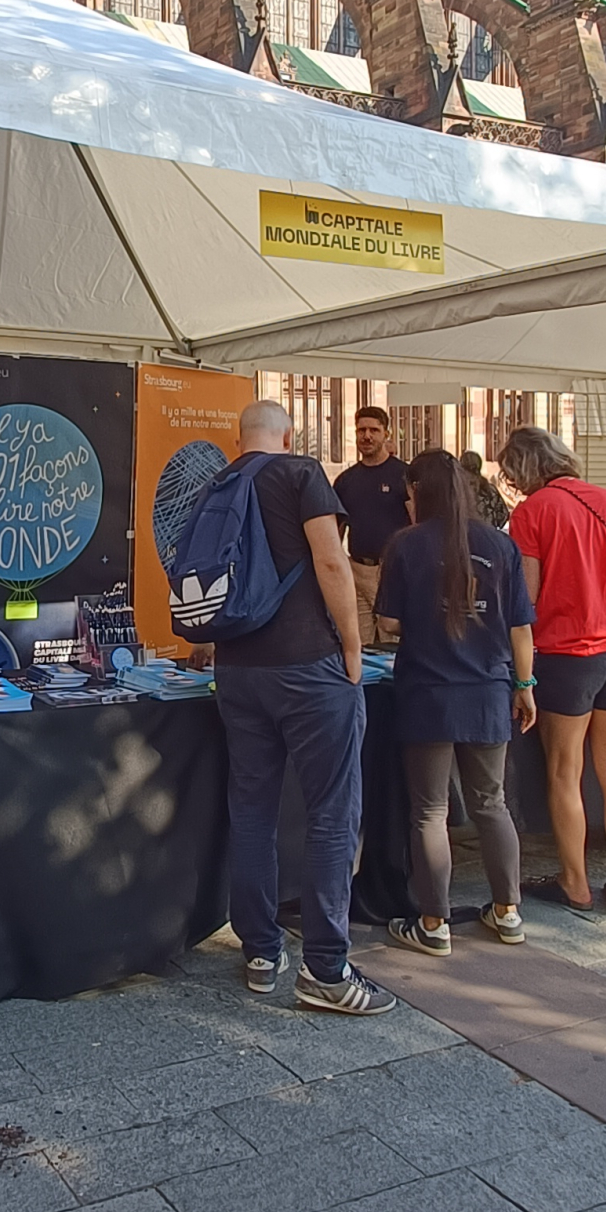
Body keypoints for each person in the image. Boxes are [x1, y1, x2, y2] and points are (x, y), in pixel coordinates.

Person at [205, 399, 395, 1016]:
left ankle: (261, 952)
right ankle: (327, 970)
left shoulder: (218, 483)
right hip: (308, 666)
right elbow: (331, 559)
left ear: (240, 438)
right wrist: (352, 645)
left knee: (251, 812)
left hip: (237, 668)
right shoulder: (301, 473)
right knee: (331, 816)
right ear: (287, 436)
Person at [373, 452, 535, 955]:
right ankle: (508, 912)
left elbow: (389, 623)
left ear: (419, 492)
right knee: (491, 802)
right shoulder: (501, 545)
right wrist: (525, 685)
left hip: (428, 692)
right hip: (488, 691)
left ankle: (433, 923)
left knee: (429, 810)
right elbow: (520, 628)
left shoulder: (406, 545)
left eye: (408, 493)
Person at [499, 426, 606, 916]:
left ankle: (575, 882)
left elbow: (528, 597)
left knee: (566, 771)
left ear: (521, 471)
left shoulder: (532, 512)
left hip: (566, 652)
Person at [333, 405, 409, 644]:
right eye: (361, 430)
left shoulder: (403, 475)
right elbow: (336, 531)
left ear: (386, 434)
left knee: (393, 641)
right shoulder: (345, 481)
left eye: (374, 430)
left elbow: (417, 522)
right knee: (358, 642)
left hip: (393, 570)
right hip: (357, 571)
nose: (367, 436)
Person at [460, 448, 511, 530]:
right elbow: (503, 516)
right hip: (488, 534)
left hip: (463, 535)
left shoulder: (457, 489)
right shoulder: (490, 490)